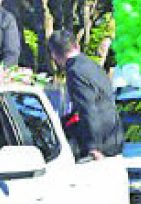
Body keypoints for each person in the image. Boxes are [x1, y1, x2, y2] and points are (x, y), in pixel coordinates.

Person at [48, 30, 124, 160]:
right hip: (112, 132)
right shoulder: (91, 65)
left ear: (54, 55)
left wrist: (93, 147)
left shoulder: (75, 72)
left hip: (100, 141)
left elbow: (88, 108)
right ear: (77, 45)